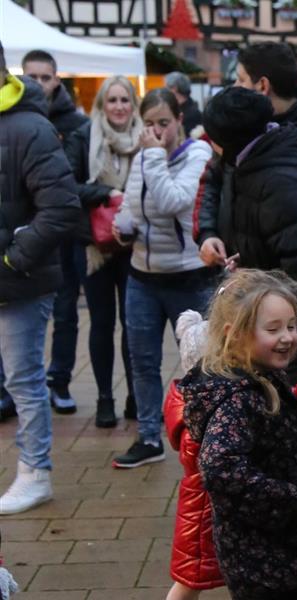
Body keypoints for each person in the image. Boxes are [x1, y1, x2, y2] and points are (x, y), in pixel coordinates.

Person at [181, 269, 297, 600]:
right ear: (234, 335)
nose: (287, 337)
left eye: (292, 326)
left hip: (277, 554)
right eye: (273, 329)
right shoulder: (239, 397)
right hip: (266, 561)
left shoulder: (262, 378)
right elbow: (220, 466)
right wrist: (286, 498)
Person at [201, 86, 297, 383]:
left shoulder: (278, 184)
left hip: (290, 347)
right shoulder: (256, 162)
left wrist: (286, 346)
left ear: (228, 143)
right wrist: (250, 260)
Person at [110, 88, 214, 469]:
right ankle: (149, 436)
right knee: (142, 359)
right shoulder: (144, 157)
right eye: (149, 124)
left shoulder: (197, 154)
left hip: (189, 275)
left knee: (200, 362)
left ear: (179, 120)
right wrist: (124, 225)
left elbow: (175, 200)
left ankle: (206, 436)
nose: (155, 132)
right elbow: (132, 201)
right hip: (143, 274)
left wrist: (152, 155)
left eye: (163, 124)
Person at [0, 41, 81, 514]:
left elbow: (62, 207)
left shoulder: (30, 127)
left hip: (19, 282)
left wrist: (13, 259)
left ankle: (35, 473)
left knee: (24, 381)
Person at [197, 42, 297, 270]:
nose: (235, 87)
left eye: (241, 79)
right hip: (241, 273)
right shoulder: (236, 127)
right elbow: (212, 179)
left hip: (287, 284)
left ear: (262, 85)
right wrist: (207, 233)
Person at [64, 75, 142, 428]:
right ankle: (104, 399)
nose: (119, 107)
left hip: (134, 245)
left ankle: (133, 397)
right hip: (94, 246)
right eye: (112, 101)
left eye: (125, 100)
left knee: (132, 325)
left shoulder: (144, 137)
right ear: (101, 105)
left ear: (133, 104)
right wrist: (105, 194)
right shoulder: (83, 138)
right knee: (101, 322)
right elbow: (68, 187)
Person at [19, 49, 89, 415]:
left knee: (65, 312)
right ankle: (9, 388)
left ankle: (59, 380)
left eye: (45, 77)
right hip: (22, 231)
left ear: (56, 80)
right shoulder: (12, 117)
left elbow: (76, 181)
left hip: (65, 234)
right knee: (17, 312)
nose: (38, 83)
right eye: (32, 76)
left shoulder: (75, 123)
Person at [164, 310, 223, 600]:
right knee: (190, 579)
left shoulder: (189, 401)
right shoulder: (201, 411)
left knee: (194, 578)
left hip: (201, 506)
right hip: (203, 509)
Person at [165, 71, 203, 138]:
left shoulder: (191, 114)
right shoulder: (187, 108)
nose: (165, 92)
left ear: (174, 88)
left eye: (166, 88)